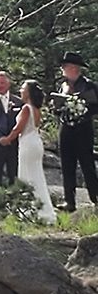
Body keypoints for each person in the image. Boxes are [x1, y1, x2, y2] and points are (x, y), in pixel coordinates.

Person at [0, 80, 56, 223]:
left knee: (27, 175)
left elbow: (18, 128)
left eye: (23, 88)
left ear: (28, 92)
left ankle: (30, 211)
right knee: (37, 175)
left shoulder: (26, 108)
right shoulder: (36, 109)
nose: (20, 90)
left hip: (27, 143)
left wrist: (8, 139)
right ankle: (43, 209)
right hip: (36, 140)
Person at [53, 52, 98, 212]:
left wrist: (83, 109)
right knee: (67, 165)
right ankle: (69, 201)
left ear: (73, 68)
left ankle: (95, 197)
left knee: (87, 163)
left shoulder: (88, 85)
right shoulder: (63, 86)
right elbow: (57, 109)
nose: (62, 70)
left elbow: (95, 106)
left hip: (83, 128)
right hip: (66, 128)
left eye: (64, 67)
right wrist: (58, 107)